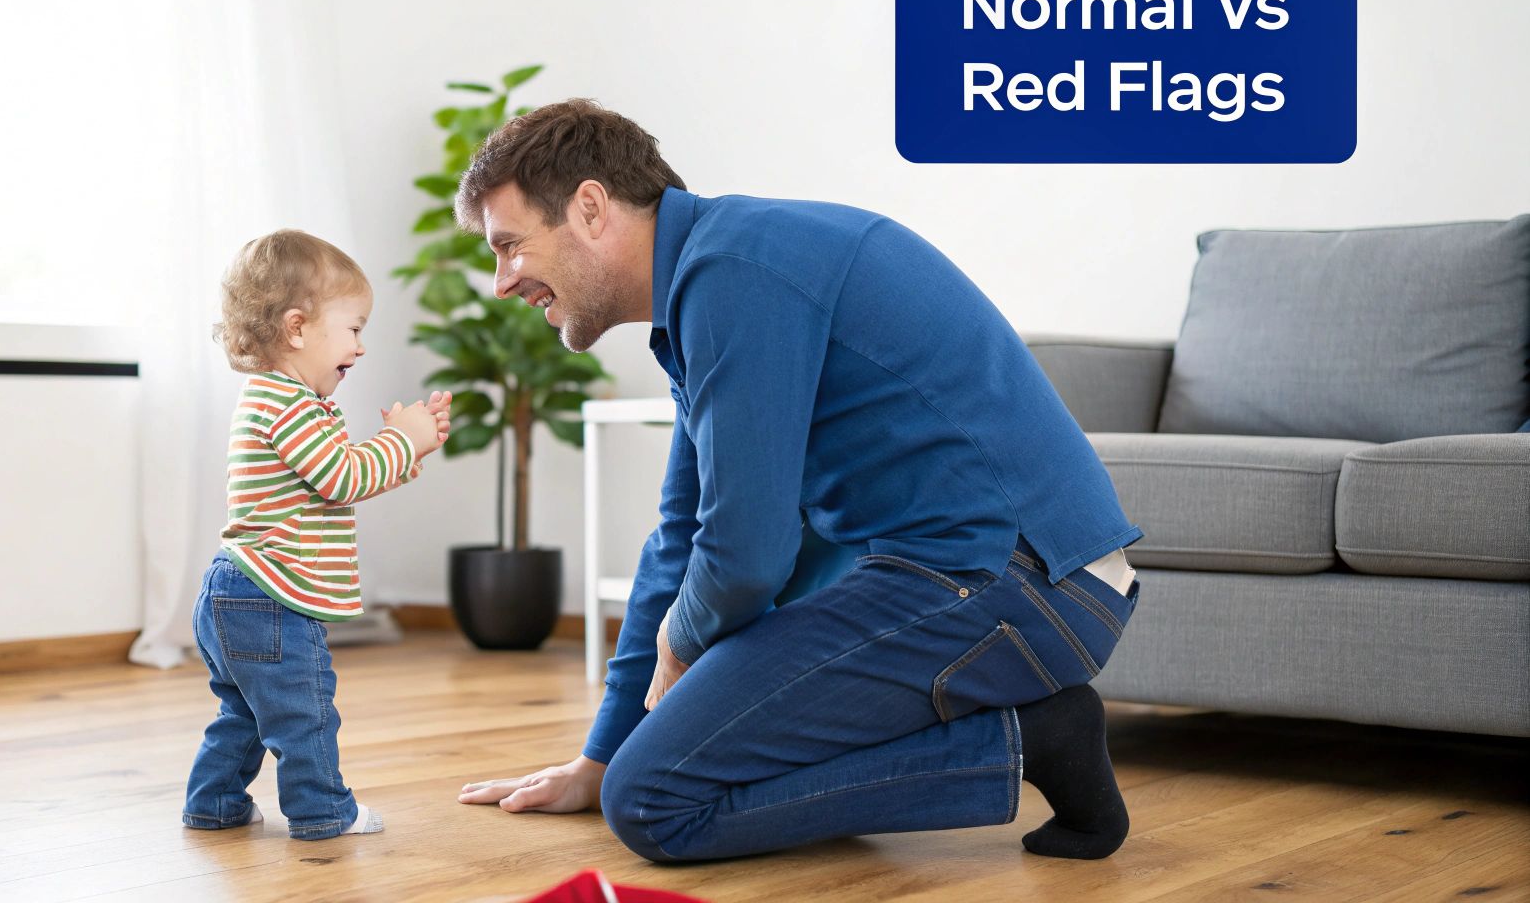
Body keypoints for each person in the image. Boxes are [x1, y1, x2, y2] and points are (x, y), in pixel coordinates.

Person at [453, 100, 1142, 863]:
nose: (501, 282)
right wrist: (603, 753)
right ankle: (1031, 734)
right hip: (973, 573)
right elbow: (683, 538)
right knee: (641, 772)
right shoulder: (711, 281)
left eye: (510, 246)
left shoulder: (736, 272)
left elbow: (746, 554)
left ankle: (1036, 738)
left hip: (1022, 581)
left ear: (589, 207)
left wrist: (680, 652)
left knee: (654, 802)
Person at [183, 229, 451, 840]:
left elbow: (334, 481)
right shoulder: (291, 404)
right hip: (269, 599)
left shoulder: (277, 399)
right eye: (353, 329)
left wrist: (407, 451)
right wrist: (400, 440)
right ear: (298, 328)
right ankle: (323, 811)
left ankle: (214, 801)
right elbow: (341, 478)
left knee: (246, 714)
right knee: (305, 715)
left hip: (237, 592)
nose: (360, 348)